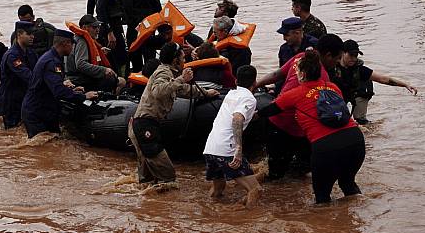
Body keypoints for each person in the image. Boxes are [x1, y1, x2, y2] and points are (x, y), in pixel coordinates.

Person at [257, 50, 366, 204]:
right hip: (355, 141)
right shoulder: (333, 87)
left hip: (326, 147)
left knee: (322, 198)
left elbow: (267, 111)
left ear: (301, 74)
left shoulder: (294, 94)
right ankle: (356, 222)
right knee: (347, 184)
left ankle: (325, 227)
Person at [255, 34, 344, 180]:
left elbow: (276, 74)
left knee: (281, 175)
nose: (338, 62)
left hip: (279, 122)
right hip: (285, 125)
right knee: (287, 174)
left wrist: (255, 85)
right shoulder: (323, 79)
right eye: (338, 58)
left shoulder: (301, 57)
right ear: (328, 55)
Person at [128, 42, 219, 184]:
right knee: (168, 176)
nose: (185, 61)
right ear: (175, 60)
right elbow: (158, 91)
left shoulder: (170, 74)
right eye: (183, 58)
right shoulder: (163, 72)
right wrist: (182, 78)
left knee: (148, 179)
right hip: (145, 126)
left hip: (143, 126)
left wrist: (206, 93)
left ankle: (147, 204)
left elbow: (183, 90)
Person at [203, 65, 262, 208]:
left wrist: (250, 116)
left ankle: (208, 214)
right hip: (227, 150)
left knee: (218, 189)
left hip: (211, 147)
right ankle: (249, 222)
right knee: (255, 190)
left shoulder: (231, 94)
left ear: (236, 81)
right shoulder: (249, 98)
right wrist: (239, 148)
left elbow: (234, 115)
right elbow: (237, 118)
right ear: (254, 83)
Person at [21, 29, 98, 138]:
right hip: (37, 112)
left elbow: (54, 85)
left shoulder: (53, 57)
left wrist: (72, 91)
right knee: (41, 148)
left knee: (52, 144)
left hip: (46, 109)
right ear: (65, 44)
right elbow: (59, 91)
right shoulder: (51, 62)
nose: (73, 48)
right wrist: (83, 96)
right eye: (72, 44)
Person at [329, 40, 418, 125]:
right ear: (343, 53)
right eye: (351, 55)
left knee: (361, 122)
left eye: (356, 55)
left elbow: (383, 79)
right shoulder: (332, 67)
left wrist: (405, 85)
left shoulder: (360, 70)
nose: (353, 58)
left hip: (356, 94)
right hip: (337, 97)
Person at [87, 0, 129, 77]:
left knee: (109, 54)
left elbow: (91, 0)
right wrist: (110, 31)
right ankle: (123, 82)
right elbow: (100, 6)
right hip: (112, 26)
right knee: (123, 56)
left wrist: (90, 20)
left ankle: (114, 81)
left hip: (104, 26)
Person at [66, 14, 125, 93]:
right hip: (80, 81)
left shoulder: (77, 38)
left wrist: (100, 51)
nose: (98, 30)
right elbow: (80, 64)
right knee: (121, 81)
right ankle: (110, 100)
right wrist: (104, 70)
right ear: (84, 28)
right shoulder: (82, 42)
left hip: (78, 78)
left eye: (98, 27)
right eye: (94, 27)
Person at [0, 21, 38, 129]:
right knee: (12, 132)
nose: (32, 37)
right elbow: (28, 76)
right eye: (29, 34)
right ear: (19, 34)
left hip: (25, 99)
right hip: (11, 102)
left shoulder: (31, 53)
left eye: (33, 34)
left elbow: (39, 71)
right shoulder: (12, 56)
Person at [122, 0, 162, 72]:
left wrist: (162, 30)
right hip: (132, 29)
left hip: (147, 30)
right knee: (134, 57)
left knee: (150, 58)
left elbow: (158, 10)